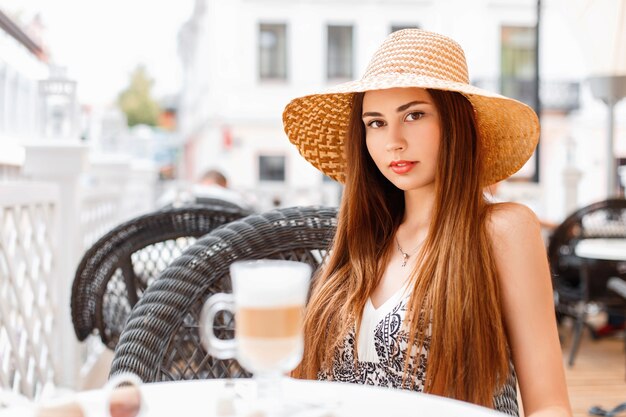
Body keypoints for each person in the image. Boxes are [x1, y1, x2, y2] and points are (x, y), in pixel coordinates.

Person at [282, 29, 571, 416]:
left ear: (455, 123)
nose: (393, 141)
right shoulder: (358, 243)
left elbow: (549, 404)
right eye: (376, 123)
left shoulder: (501, 230)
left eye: (414, 115)